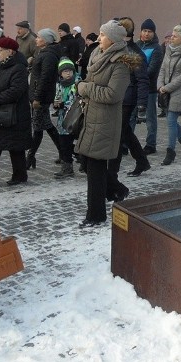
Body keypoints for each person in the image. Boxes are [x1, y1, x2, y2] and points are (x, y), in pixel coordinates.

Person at [75, 20, 137, 227]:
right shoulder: (97, 55)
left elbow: (113, 94)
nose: (99, 38)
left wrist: (85, 88)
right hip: (91, 115)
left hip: (105, 119)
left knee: (95, 167)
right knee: (86, 162)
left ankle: (95, 214)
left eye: (103, 35)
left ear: (113, 39)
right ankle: (117, 189)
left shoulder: (120, 63)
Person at [0, 37, 31, 185]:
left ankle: (17, 176)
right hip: (3, 113)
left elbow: (15, 91)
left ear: (10, 52)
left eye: (0, 51)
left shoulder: (18, 68)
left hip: (14, 115)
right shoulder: (3, 65)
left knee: (13, 147)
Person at [114, 17, 151, 178]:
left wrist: (142, 104)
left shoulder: (134, 52)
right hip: (119, 97)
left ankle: (112, 170)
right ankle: (142, 161)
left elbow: (143, 79)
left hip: (128, 99)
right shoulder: (121, 49)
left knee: (119, 133)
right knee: (125, 132)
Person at [157, 24, 181, 166]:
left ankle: (170, 152)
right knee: (171, 120)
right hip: (165, 91)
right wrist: (160, 85)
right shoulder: (168, 50)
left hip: (179, 92)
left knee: (171, 120)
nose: (171, 38)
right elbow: (162, 69)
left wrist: (167, 87)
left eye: (175, 36)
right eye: (172, 35)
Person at [26, 28, 62, 170]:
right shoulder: (44, 53)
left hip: (40, 97)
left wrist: (37, 98)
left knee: (38, 128)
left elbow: (45, 78)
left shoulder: (49, 55)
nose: (36, 39)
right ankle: (64, 152)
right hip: (38, 95)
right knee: (46, 125)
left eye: (39, 37)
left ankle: (30, 157)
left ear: (46, 40)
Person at [137, 18, 163, 155]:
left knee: (150, 118)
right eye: (144, 31)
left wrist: (138, 76)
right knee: (131, 116)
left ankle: (151, 144)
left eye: (149, 31)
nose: (146, 34)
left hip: (150, 88)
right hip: (135, 87)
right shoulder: (137, 45)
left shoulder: (156, 48)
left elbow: (152, 70)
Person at [51, 58, 80, 178]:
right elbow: (57, 98)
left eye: (70, 71)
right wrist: (56, 104)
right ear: (60, 73)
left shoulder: (78, 83)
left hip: (76, 118)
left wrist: (63, 104)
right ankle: (67, 168)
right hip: (63, 120)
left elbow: (77, 101)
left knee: (77, 143)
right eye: (65, 71)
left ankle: (84, 161)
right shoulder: (59, 84)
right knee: (64, 144)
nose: (68, 73)